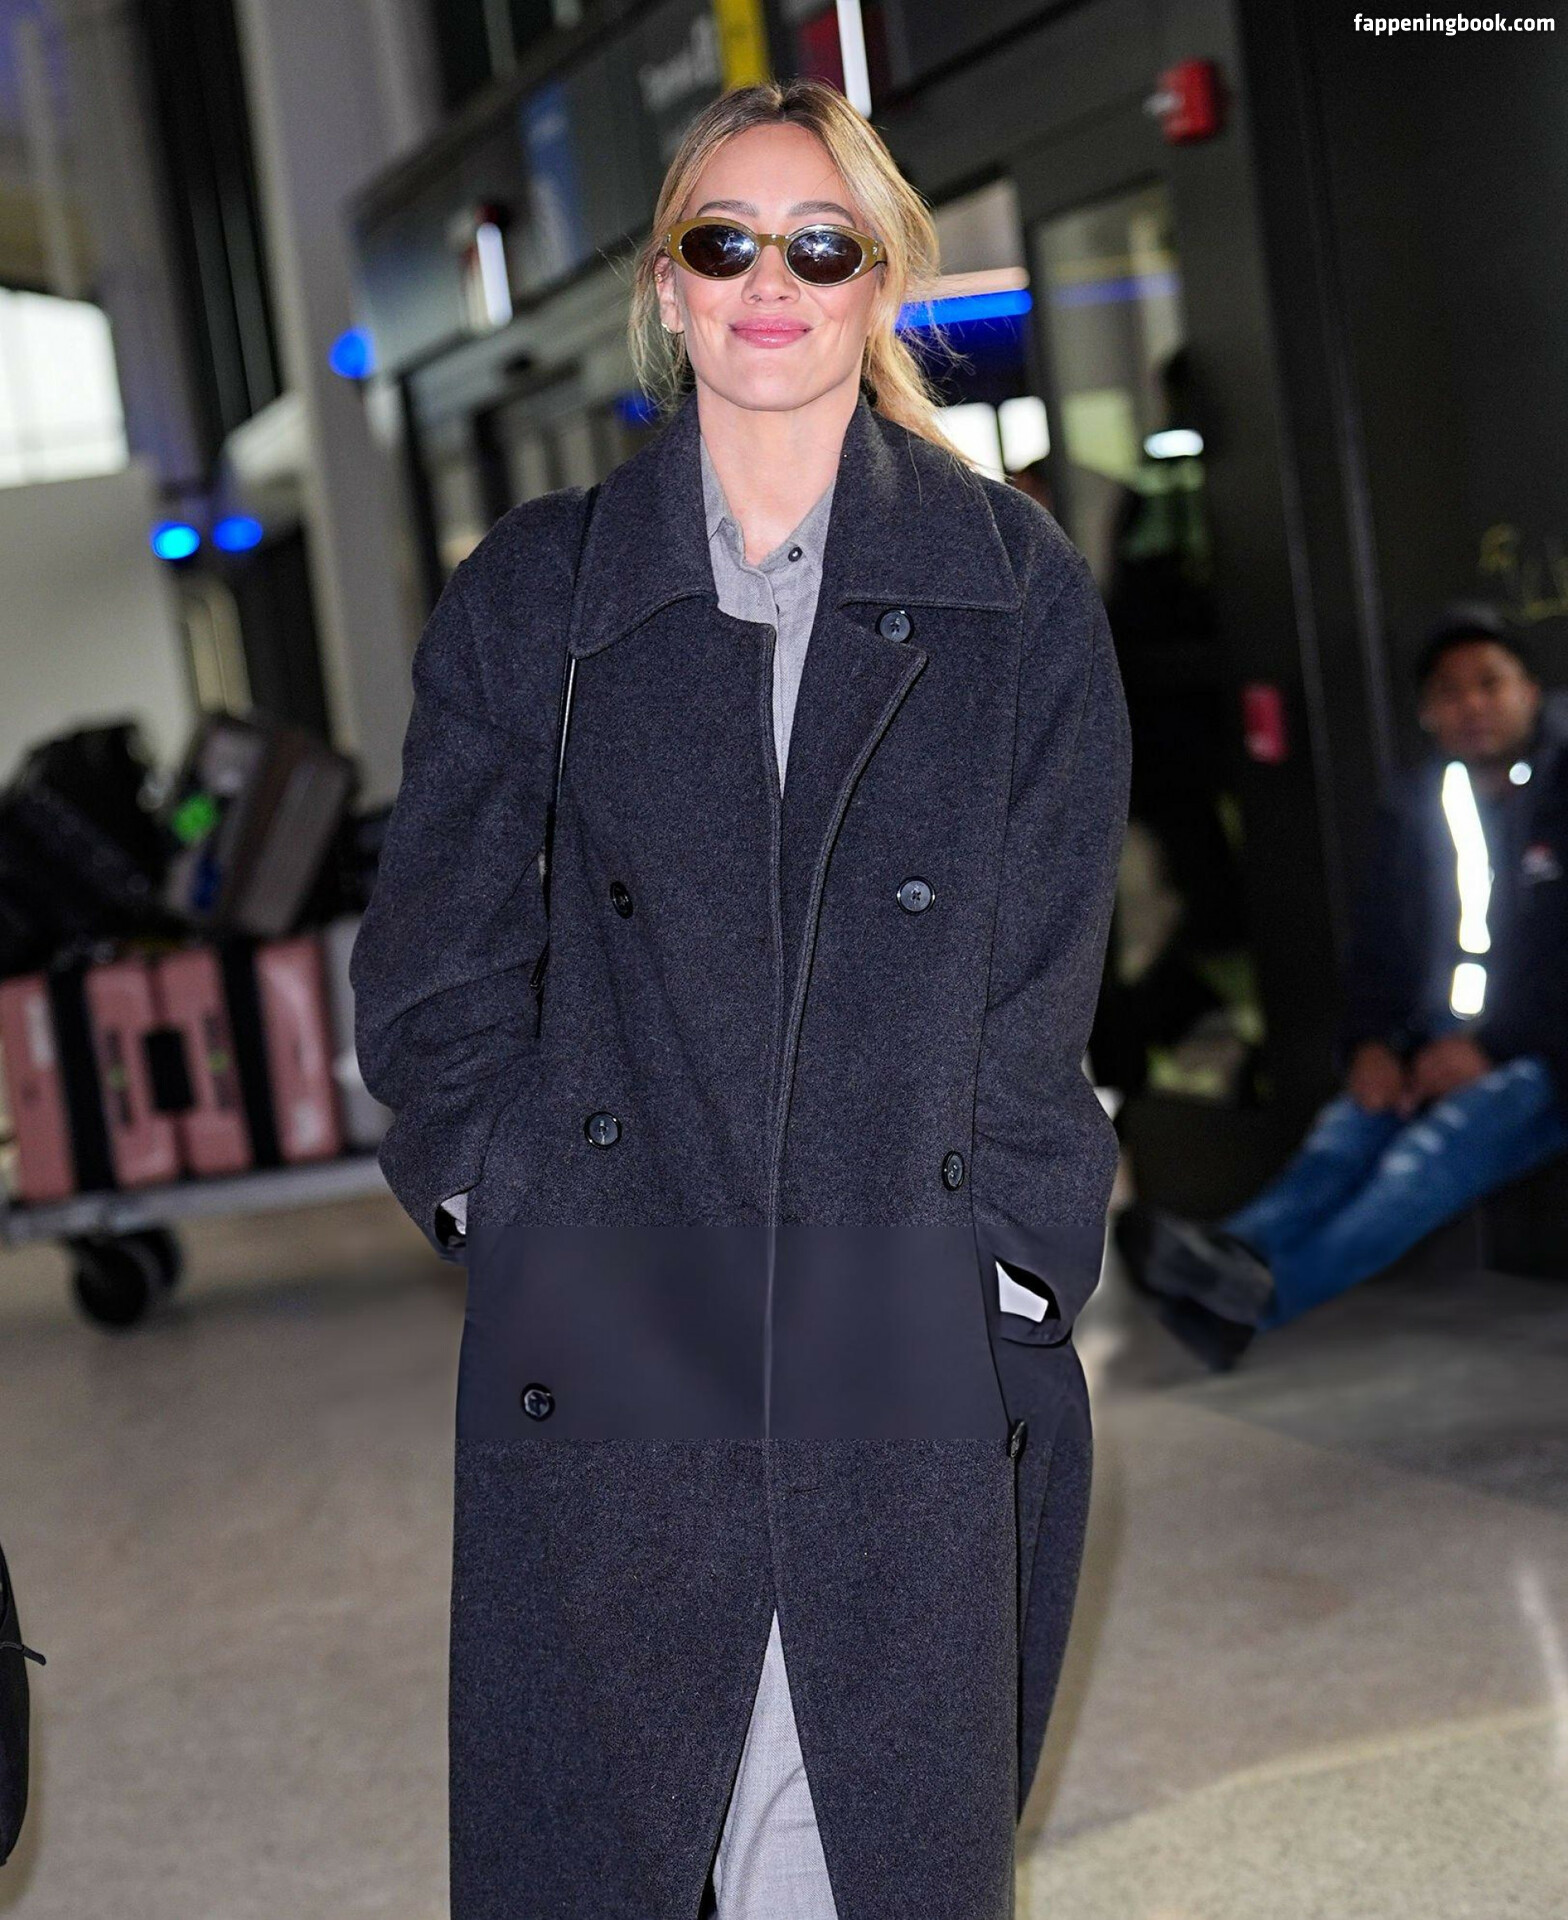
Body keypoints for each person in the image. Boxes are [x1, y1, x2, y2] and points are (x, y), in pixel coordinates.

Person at [350, 78, 1130, 1920]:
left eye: (818, 245)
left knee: (850, 1837)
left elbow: (1043, 966)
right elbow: (438, 954)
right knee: (629, 1828)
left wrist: (1013, 1253)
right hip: (624, 1278)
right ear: (666, 287)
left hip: (898, 1278)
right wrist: (504, 1198)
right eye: (724, 242)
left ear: (879, 284)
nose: (769, 281)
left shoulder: (1011, 587)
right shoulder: (538, 592)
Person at [1118, 603, 1568, 1370]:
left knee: (1430, 1157)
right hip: (1446, 1041)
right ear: (1427, 713)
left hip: (1544, 1055)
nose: (1472, 705)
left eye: (1490, 684)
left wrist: (1491, 1048)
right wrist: (1372, 1047)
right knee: (1349, 1130)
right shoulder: (1421, 805)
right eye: (1450, 691)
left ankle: (1249, 1296)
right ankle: (1229, 1260)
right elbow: (1380, 947)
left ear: (1530, 690)